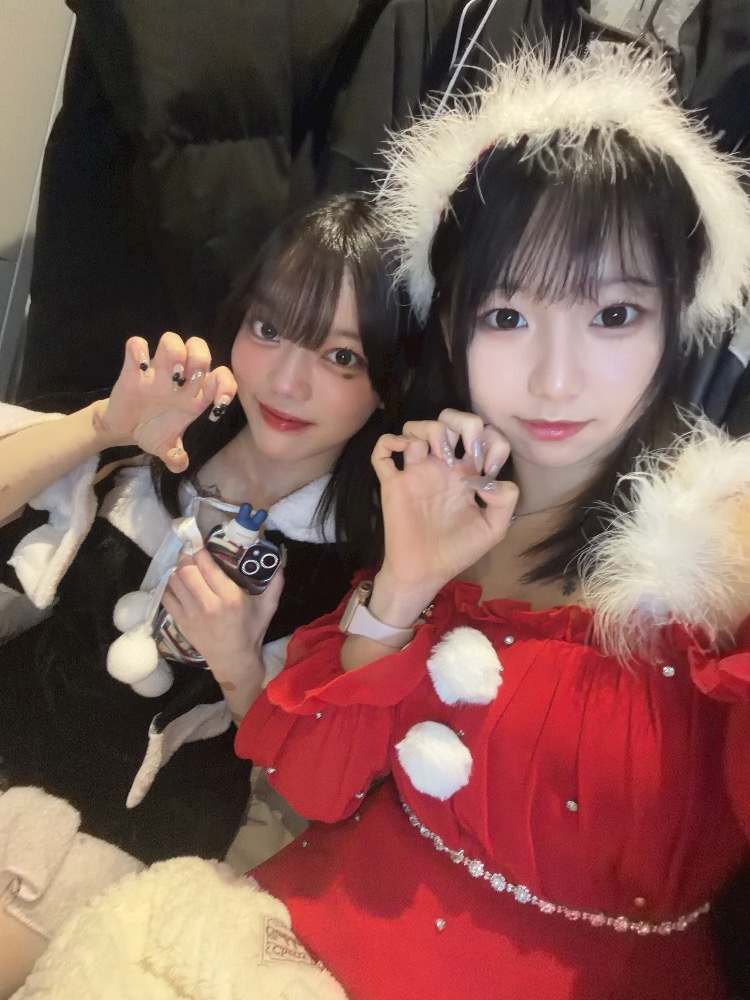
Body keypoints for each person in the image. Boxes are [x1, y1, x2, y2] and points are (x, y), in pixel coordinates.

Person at [12, 44, 750, 1000]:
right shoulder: (399, 507)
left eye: (613, 315)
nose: (556, 379)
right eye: (509, 317)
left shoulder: (720, 548)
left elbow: (291, 782)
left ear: (676, 318)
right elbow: (323, 785)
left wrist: (248, 657)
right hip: (279, 931)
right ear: (454, 328)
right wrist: (400, 589)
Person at [0, 192, 405, 874]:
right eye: (269, 329)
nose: (286, 382)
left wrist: (239, 667)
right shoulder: (159, 433)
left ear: (388, 381)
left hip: (135, 851)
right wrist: (101, 427)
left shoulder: (366, 567)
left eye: (341, 357)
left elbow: (316, 787)